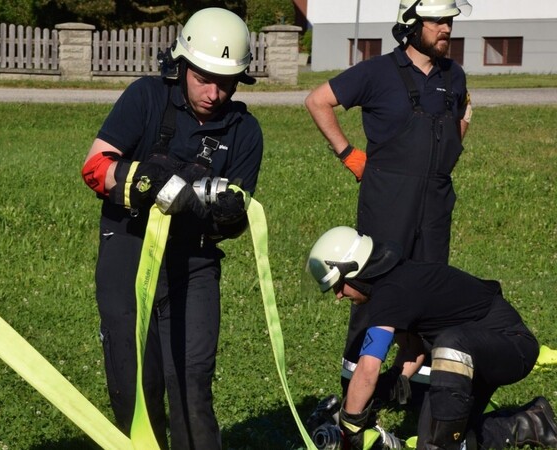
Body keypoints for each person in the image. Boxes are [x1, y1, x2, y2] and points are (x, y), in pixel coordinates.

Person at [81, 7, 263, 448]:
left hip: (194, 265)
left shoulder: (245, 131)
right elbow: (94, 167)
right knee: (134, 387)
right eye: (204, 78)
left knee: (191, 385)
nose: (214, 92)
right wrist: (146, 180)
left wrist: (226, 212)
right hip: (128, 250)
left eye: (226, 82)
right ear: (181, 64)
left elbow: (234, 218)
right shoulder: (146, 97)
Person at [305, 0, 474, 401]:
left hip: (435, 200)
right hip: (387, 198)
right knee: (373, 291)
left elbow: (463, 114)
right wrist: (349, 154)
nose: (446, 28)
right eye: (437, 20)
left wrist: (449, 148)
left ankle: (417, 390)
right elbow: (317, 101)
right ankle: (354, 391)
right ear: (411, 25)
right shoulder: (377, 71)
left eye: (449, 20)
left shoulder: (454, 76)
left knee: (430, 290)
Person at [306, 226, 557, 449]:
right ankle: (531, 423)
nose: (338, 296)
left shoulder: (390, 292)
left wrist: (349, 425)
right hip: (470, 354)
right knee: (434, 441)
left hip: (511, 344)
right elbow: (412, 349)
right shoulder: (394, 284)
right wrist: (395, 380)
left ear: (353, 270)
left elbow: (368, 367)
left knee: (449, 346)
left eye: (338, 286)